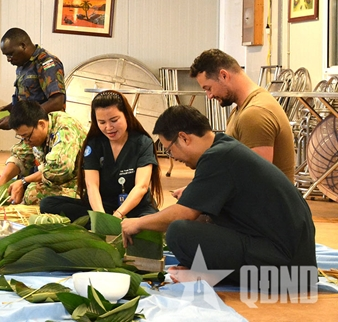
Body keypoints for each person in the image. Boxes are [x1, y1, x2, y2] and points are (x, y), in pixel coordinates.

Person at [122, 105, 315, 292]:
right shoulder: (224, 147)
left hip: (286, 268)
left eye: (169, 150)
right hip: (293, 260)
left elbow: (181, 215)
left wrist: (138, 223)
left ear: (183, 138)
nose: (172, 157)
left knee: (179, 232)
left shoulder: (218, 158)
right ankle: (209, 272)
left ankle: (210, 274)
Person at [40, 90, 162, 221]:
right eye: (102, 122)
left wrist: (118, 215)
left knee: (150, 223)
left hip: (135, 207)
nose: (109, 127)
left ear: (126, 115)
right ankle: (106, 224)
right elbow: (92, 186)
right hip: (102, 206)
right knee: (48, 204)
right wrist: (102, 218)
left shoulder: (143, 142)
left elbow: (141, 187)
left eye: (114, 120)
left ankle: (123, 225)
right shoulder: (94, 144)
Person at [188, 48, 294, 181]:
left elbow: (255, 179)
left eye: (208, 88)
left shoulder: (255, 114)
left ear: (224, 76)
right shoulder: (240, 110)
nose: (209, 96)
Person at [0, 100, 86, 204]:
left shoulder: (65, 128)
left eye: (27, 136)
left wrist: (24, 182)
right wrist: (0, 182)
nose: (26, 141)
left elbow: (59, 168)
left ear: (41, 124)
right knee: (13, 189)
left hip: (82, 184)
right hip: (60, 182)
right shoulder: (36, 129)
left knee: (33, 194)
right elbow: (21, 156)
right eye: (22, 137)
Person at [0, 27, 66, 131]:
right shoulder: (22, 65)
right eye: (6, 55)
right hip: (30, 129)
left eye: (11, 54)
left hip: (49, 129)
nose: (8, 59)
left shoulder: (46, 63)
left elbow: (57, 102)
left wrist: (19, 119)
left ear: (23, 46)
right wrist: (3, 110)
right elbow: (22, 101)